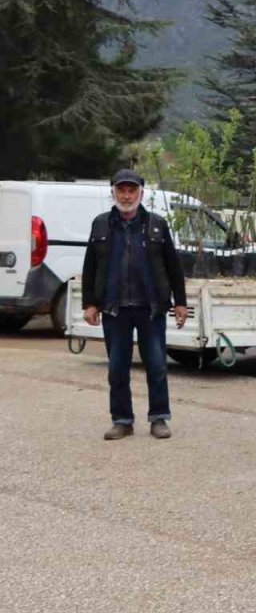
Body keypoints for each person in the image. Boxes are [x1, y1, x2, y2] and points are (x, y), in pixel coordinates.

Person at [82, 169, 188, 440]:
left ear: (141, 193)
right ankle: (122, 420)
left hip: (150, 308)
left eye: (131, 190)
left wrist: (180, 302)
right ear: (113, 192)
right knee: (117, 368)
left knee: (156, 365)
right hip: (114, 309)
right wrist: (90, 304)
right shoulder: (100, 224)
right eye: (121, 190)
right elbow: (91, 266)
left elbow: (173, 266)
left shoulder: (156, 224)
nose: (126, 195)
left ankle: (159, 418)